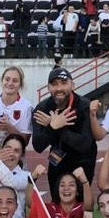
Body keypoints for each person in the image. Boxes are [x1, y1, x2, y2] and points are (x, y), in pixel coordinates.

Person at [32, 67, 97, 199]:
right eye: (54, 84)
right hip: (57, 159)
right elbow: (38, 146)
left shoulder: (84, 105)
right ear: (48, 87)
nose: (59, 88)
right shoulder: (42, 108)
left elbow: (84, 144)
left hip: (83, 160)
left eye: (63, 83)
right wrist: (53, 126)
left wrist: (58, 127)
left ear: (72, 85)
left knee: (80, 206)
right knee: (57, 203)